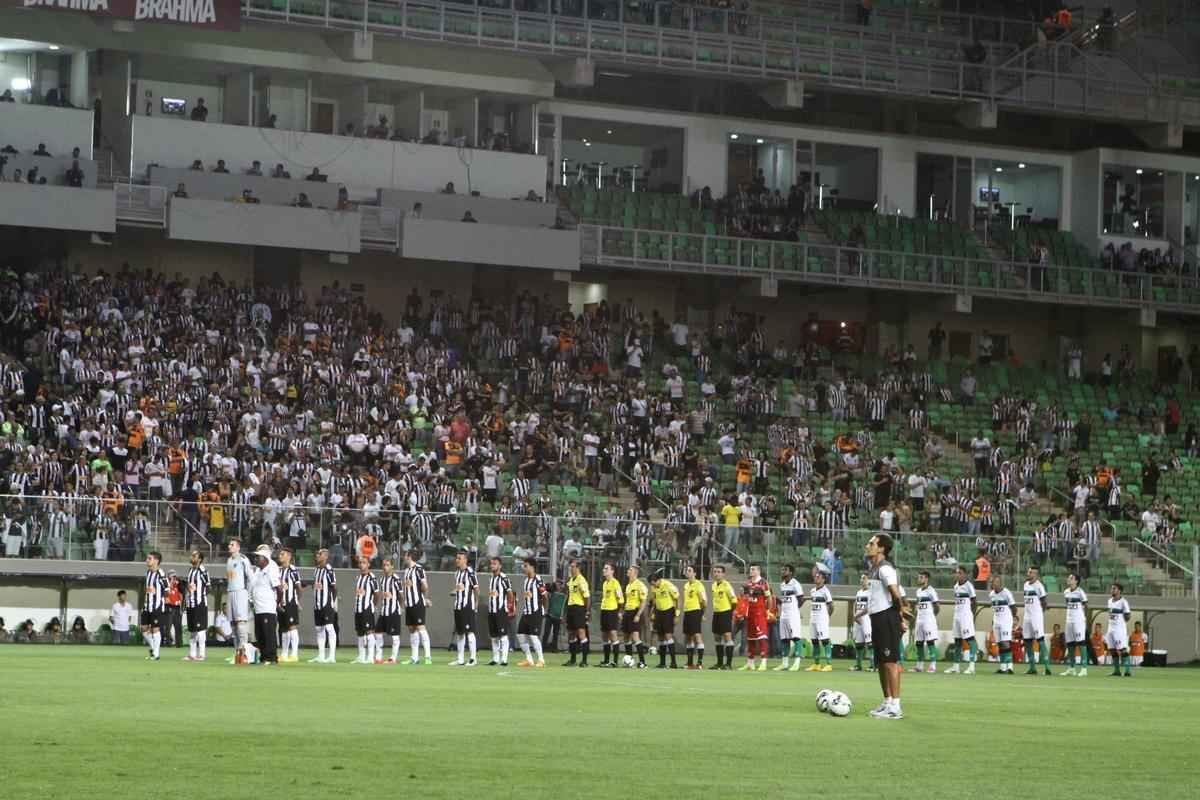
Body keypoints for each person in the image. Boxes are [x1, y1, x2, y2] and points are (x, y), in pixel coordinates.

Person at [865, 533, 905, 719]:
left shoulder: (885, 569)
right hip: (877, 618)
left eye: (872, 543)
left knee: (890, 662)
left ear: (881, 548)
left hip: (887, 617)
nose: (868, 545)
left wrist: (900, 617)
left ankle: (896, 706)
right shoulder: (874, 568)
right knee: (880, 662)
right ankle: (887, 701)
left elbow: (896, 595)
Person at [248, 544, 281, 665]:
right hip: (258, 607)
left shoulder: (272, 568)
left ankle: (271, 658)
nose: (256, 559)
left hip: (268, 607)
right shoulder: (258, 570)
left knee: (269, 634)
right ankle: (263, 657)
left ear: (265, 558)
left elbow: (279, 588)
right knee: (260, 634)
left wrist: (276, 603)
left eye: (258, 557)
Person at [944, 564, 977, 674]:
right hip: (957, 616)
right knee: (957, 640)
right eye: (956, 573)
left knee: (970, 639)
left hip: (966, 616)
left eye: (960, 573)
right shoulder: (956, 586)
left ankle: (972, 666)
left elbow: (974, 602)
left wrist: (971, 615)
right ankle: (956, 666)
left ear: (965, 574)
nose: (957, 575)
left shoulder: (969, 586)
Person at [402, 548, 432, 665]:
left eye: (405, 555)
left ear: (409, 556)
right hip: (409, 604)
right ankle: (414, 657)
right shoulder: (406, 571)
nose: (404, 557)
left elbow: (425, 586)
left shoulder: (419, 569)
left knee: (421, 628)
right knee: (412, 629)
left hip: (417, 603)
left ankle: (428, 656)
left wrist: (425, 598)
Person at [739, 563, 771, 671]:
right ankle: (750, 663)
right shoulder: (747, 583)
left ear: (758, 571)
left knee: (762, 637)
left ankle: (763, 662)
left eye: (753, 569)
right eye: (750, 569)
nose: (751, 571)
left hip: (759, 613)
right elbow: (744, 598)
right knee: (750, 638)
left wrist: (768, 611)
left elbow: (769, 598)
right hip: (750, 613)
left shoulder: (763, 583)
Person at [1020, 565, 1051, 676]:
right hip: (1027, 616)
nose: (1029, 574)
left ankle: (1047, 667)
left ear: (1035, 574)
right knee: (1027, 641)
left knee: (1040, 640)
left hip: (1036, 616)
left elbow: (1044, 602)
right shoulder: (1025, 585)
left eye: (1031, 572)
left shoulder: (1039, 586)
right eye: (1028, 572)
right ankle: (1032, 667)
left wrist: (1039, 614)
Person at [773, 563, 805, 672]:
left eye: (785, 570)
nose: (783, 572)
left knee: (796, 638)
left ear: (791, 572)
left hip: (793, 615)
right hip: (784, 614)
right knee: (784, 639)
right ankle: (785, 663)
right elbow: (786, 600)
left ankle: (797, 662)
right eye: (782, 570)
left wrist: (795, 610)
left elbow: (801, 599)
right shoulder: (782, 585)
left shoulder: (795, 584)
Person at [449, 549, 478, 666]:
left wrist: (475, 603)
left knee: (470, 632)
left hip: (467, 606)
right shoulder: (457, 573)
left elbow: (476, 588)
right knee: (460, 633)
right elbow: (460, 588)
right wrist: (454, 591)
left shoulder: (470, 572)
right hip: (458, 606)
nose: (457, 560)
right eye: (456, 558)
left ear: (465, 560)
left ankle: (473, 658)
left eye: (459, 558)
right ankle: (460, 659)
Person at [225, 538, 252, 664]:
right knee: (234, 624)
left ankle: (244, 653)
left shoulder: (243, 559)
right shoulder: (229, 560)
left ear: (238, 547)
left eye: (232, 545)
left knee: (241, 623)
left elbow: (250, 578)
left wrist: (248, 594)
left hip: (241, 592)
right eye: (229, 544)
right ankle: (237, 654)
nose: (229, 546)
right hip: (231, 592)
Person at [516, 558, 547, 668]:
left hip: (535, 612)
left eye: (526, 566)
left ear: (532, 567)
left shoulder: (538, 580)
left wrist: (543, 609)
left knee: (534, 636)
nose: (524, 568)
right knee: (520, 634)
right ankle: (529, 659)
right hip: (526, 612)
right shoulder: (526, 581)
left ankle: (541, 659)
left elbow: (545, 596)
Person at [310, 548, 339, 664]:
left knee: (329, 628)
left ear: (326, 556)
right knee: (319, 629)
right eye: (317, 553)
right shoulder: (316, 570)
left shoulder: (329, 570)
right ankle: (321, 655)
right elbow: (315, 586)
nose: (317, 555)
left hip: (326, 604)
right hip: (317, 605)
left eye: (319, 554)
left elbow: (334, 588)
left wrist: (332, 601)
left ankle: (332, 656)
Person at [485, 556, 514, 667]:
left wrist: (509, 608)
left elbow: (510, 594)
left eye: (495, 564)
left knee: (503, 635)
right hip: (492, 610)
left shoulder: (504, 578)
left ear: (500, 566)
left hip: (501, 610)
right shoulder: (491, 578)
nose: (492, 565)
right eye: (491, 564)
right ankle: (495, 658)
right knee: (494, 636)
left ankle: (504, 659)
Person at [375, 557, 404, 664]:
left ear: (392, 566)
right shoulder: (382, 579)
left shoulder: (396, 579)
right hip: (384, 610)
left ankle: (393, 658)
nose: (385, 567)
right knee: (377, 632)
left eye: (387, 565)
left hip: (394, 611)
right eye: (384, 565)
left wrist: (400, 608)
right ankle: (378, 657)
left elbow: (401, 596)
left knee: (395, 636)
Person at [805, 564, 834, 672]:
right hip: (813, 618)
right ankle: (816, 664)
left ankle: (829, 664)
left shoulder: (826, 591)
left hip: (822, 619)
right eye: (815, 576)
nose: (816, 578)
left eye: (818, 577)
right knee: (814, 641)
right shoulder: (812, 591)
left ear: (823, 579)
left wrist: (827, 616)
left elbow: (831, 606)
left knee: (825, 641)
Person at [352, 555, 380, 665]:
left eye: (364, 563)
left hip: (367, 609)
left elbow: (377, 594)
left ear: (368, 564)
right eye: (360, 563)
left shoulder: (372, 578)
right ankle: (361, 656)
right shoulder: (358, 578)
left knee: (369, 632)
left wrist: (372, 605)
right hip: (358, 609)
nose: (361, 565)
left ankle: (370, 657)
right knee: (359, 633)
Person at [140, 550, 168, 661]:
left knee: (155, 629)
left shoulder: (161, 574)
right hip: (147, 605)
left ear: (156, 561)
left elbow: (167, 590)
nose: (147, 560)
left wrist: (157, 593)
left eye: (149, 558)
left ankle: (156, 654)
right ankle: (153, 649)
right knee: (143, 629)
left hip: (157, 606)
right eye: (147, 558)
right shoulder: (148, 573)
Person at [562, 558, 590, 667]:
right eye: (570, 566)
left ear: (578, 568)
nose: (571, 568)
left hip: (579, 608)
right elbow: (568, 595)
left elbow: (587, 597)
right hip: (571, 608)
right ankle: (573, 659)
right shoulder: (571, 580)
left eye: (573, 566)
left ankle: (584, 660)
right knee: (571, 634)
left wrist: (586, 611)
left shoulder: (581, 580)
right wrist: (565, 612)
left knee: (581, 633)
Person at [620, 564, 649, 668]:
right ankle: (629, 659)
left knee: (636, 637)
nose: (628, 571)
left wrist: (638, 614)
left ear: (635, 572)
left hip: (635, 612)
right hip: (627, 612)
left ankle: (642, 662)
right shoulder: (628, 586)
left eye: (630, 570)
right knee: (626, 637)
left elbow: (643, 601)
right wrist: (623, 612)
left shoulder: (640, 585)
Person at [650, 571, 680, 669]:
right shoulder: (654, 587)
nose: (653, 586)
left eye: (654, 583)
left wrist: (677, 614)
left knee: (668, 636)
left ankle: (673, 663)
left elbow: (678, 599)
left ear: (658, 580)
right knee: (660, 637)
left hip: (668, 612)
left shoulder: (668, 585)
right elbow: (654, 599)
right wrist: (653, 612)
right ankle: (662, 663)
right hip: (659, 612)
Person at [1060, 572, 1088, 676]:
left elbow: (1086, 605)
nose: (1069, 579)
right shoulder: (1066, 592)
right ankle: (1071, 667)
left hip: (1078, 620)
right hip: (1069, 621)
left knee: (1081, 643)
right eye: (1069, 577)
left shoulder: (1080, 592)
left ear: (1076, 581)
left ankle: (1084, 668)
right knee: (1070, 644)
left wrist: (1084, 619)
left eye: (1071, 578)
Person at [911, 570, 940, 673]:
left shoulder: (931, 591)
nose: (919, 579)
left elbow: (937, 606)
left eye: (921, 577)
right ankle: (919, 666)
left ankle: (933, 665)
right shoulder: (918, 591)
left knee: (930, 641)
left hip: (928, 620)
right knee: (919, 642)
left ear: (926, 578)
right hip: (919, 620)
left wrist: (932, 616)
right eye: (919, 577)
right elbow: (917, 605)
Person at [709, 564, 737, 670]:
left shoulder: (727, 585)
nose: (716, 574)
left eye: (719, 572)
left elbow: (734, 600)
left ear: (723, 574)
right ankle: (719, 663)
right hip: (716, 613)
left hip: (725, 613)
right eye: (715, 572)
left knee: (727, 636)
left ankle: (728, 664)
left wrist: (730, 612)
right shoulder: (713, 585)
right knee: (717, 637)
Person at [277, 548, 302, 663]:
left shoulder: (293, 570)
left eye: (282, 554)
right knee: (284, 629)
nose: (280, 556)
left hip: (291, 602)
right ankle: (284, 654)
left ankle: (294, 654)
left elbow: (299, 588)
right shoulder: (279, 570)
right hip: (281, 604)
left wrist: (296, 601)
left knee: (292, 627)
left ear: (289, 556)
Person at [184, 549, 210, 662]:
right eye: (192, 555)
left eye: (194, 556)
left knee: (201, 630)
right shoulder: (190, 570)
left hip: (200, 603)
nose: (192, 557)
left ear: (199, 559)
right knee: (192, 630)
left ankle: (202, 654)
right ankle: (192, 654)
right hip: (191, 603)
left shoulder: (202, 570)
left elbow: (208, 586)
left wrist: (200, 595)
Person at [597, 561, 623, 667]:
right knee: (604, 635)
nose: (604, 570)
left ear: (612, 571)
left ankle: (615, 661)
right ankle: (606, 660)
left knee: (613, 634)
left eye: (606, 568)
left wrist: (620, 612)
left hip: (612, 611)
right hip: (604, 610)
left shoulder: (615, 583)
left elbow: (620, 599)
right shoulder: (605, 583)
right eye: (604, 568)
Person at [681, 563, 707, 669]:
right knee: (688, 637)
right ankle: (690, 662)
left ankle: (700, 662)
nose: (687, 572)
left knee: (697, 636)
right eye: (687, 570)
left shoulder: (698, 585)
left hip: (695, 611)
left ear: (695, 573)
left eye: (690, 570)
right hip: (687, 612)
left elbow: (704, 602)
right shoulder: (686, 585)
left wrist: (701, 614)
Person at [988, 576, 1016, 674]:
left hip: (1005, 621)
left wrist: (1011, 620)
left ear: (1000, 583)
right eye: (992, 582)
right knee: (999, 644)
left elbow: (1014, 608)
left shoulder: (1006, 593)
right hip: (996, 621)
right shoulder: (991, 595)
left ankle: (1010, 666)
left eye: (995, 582)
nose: (993, 584)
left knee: (1005, 642)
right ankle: (1003, 667)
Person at [1106, 582, 1133, 677]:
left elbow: (1128, 616)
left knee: (1122, 650)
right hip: (1110, 629)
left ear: (1119, 591)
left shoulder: (1123, 602)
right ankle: (1116, 671)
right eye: (1111, 588)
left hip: (1119, 629)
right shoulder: (1109, 601)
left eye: (1114, 588)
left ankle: (1128, 670)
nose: (1112, 590)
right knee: (1112, 650)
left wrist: (1121, 620)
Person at [850, 572, 873, 672]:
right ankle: (858, 665)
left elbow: (869, 607)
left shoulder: (871, 592)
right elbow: (855, 604)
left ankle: (873, 665)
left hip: (866, 619)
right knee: (859, 644)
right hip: (858, 620)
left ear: (869, 580)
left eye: (864, 578)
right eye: (861, 578)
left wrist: (857, 615)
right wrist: (854, 616)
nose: (861, 580)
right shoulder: (859, 592)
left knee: (870, 643)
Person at [164, 570, 184, 648]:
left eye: (175, 577)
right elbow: (166, 598)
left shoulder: (177, 586)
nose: (174, 578)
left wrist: (180, 604)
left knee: (178, 627)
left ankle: (179, 644)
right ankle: (168, 644)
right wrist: (170, 584)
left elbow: (181, 596)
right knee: (168, 627)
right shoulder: (167, 586)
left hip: (177, 608)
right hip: (169, 608)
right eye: (173, 577)